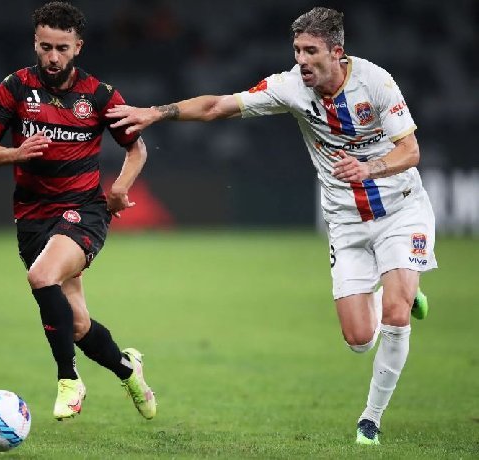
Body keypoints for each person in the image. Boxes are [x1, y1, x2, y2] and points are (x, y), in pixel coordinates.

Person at [107, 7, 435, 445]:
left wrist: (368, 168)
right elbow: (216, 106)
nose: (301, 59)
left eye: (311, 50)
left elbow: (410, 151)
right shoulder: (289, 87)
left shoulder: (376, 82)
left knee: (397, 315)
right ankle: (395, 290)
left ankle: (370, 420)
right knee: (358, 339)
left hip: (400, 209)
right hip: (345, 221)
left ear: (337, 52)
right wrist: (154, 113)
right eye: (297, 49)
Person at [0, 1, 155, 422]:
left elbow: (136, 148)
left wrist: (120, 188)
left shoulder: (99, 95)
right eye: (45, 47)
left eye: (61, 48)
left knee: (40, 276)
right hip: (33, 217)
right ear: (35, 43)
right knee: (75, 326)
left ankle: (68, 379)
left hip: (83, 210)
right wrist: (17, 152)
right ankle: (130, 370)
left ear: (78, 47)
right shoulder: (15, 88)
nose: (52, 57)